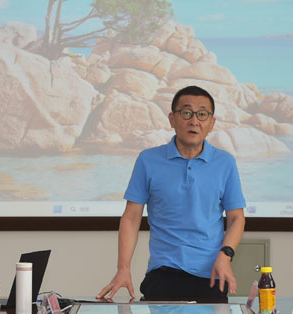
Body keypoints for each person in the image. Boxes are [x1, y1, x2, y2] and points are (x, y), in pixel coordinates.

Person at [97, 85, 246, 301]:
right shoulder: (148, 160)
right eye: (186, 113)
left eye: (202, 114)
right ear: (172, 119)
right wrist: (123, 268)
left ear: (212, 123)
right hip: (163, 274)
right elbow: (131, 217)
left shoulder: (225, 163)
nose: (194, 121)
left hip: (212, 275)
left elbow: (236, 218)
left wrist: (226, 254)